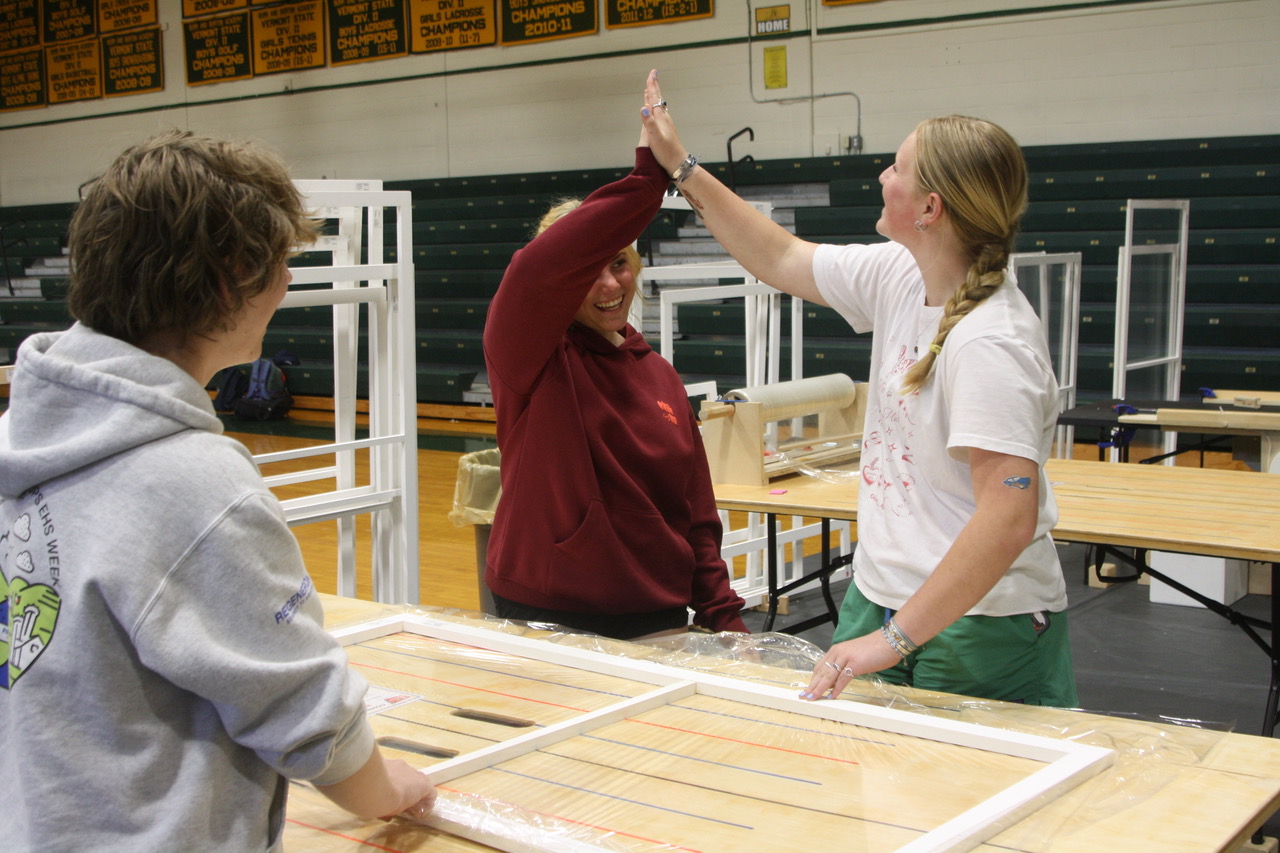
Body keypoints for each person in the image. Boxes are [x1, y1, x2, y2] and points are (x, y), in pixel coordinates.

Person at [0, 130, 436, 851]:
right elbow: (300, 703)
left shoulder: (21, 433)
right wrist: (386, 788)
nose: (286, 286)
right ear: (234, 276)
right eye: (280, 266)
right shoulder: (192, 481)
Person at [638, 70, 1077, 706]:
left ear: (931, 209)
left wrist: (894, 640)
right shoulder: (902, 272)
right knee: (870, 796)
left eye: (897, 168)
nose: (881, 177)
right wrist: (680, 165)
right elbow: (779, 257)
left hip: (982, 622)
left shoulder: (990, 341)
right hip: (883, 601)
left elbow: (1008, 517)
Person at [482, 121, 749, 640]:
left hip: (655, 613)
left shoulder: (661, 376)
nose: (607, 284)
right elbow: (531, 274)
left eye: (619, 263)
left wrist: (725, 618)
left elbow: (695, 515)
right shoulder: (528, 355)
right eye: (586, 271)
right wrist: (650, 179)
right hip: (547, 609)